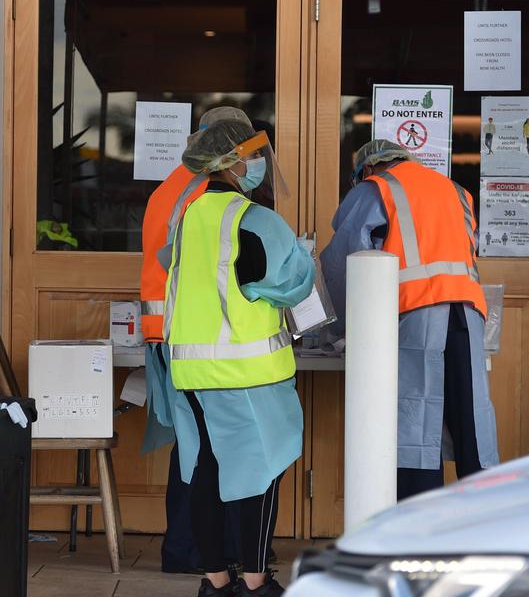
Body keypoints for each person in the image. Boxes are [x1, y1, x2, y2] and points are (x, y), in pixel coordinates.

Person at [165, 120, 314, 597]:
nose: (259, 166)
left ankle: (215, 581)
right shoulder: (256, 220)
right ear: (231, 163)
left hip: (190, 369)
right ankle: (255, 583)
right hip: (246, 371)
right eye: (253, 157)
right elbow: (293, 285)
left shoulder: (187, 216)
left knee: (208, 467)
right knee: (260, 469)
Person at [320, 139, 499, 501]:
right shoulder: (456, 190)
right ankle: (483, 522)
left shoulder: (376, 188)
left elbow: (344, 264)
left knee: (417, 418)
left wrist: (336, 331)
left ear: (367, 169)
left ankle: (418, 526)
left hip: (415, 312)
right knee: (472, 421)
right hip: (467, 312)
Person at [140, 105, 251, 576]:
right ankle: (191, 551)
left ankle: (185, 548)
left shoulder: (170, 185)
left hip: (165, 331)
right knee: (205, 446)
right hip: (191, 333)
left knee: (192, 442)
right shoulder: (206, 190)